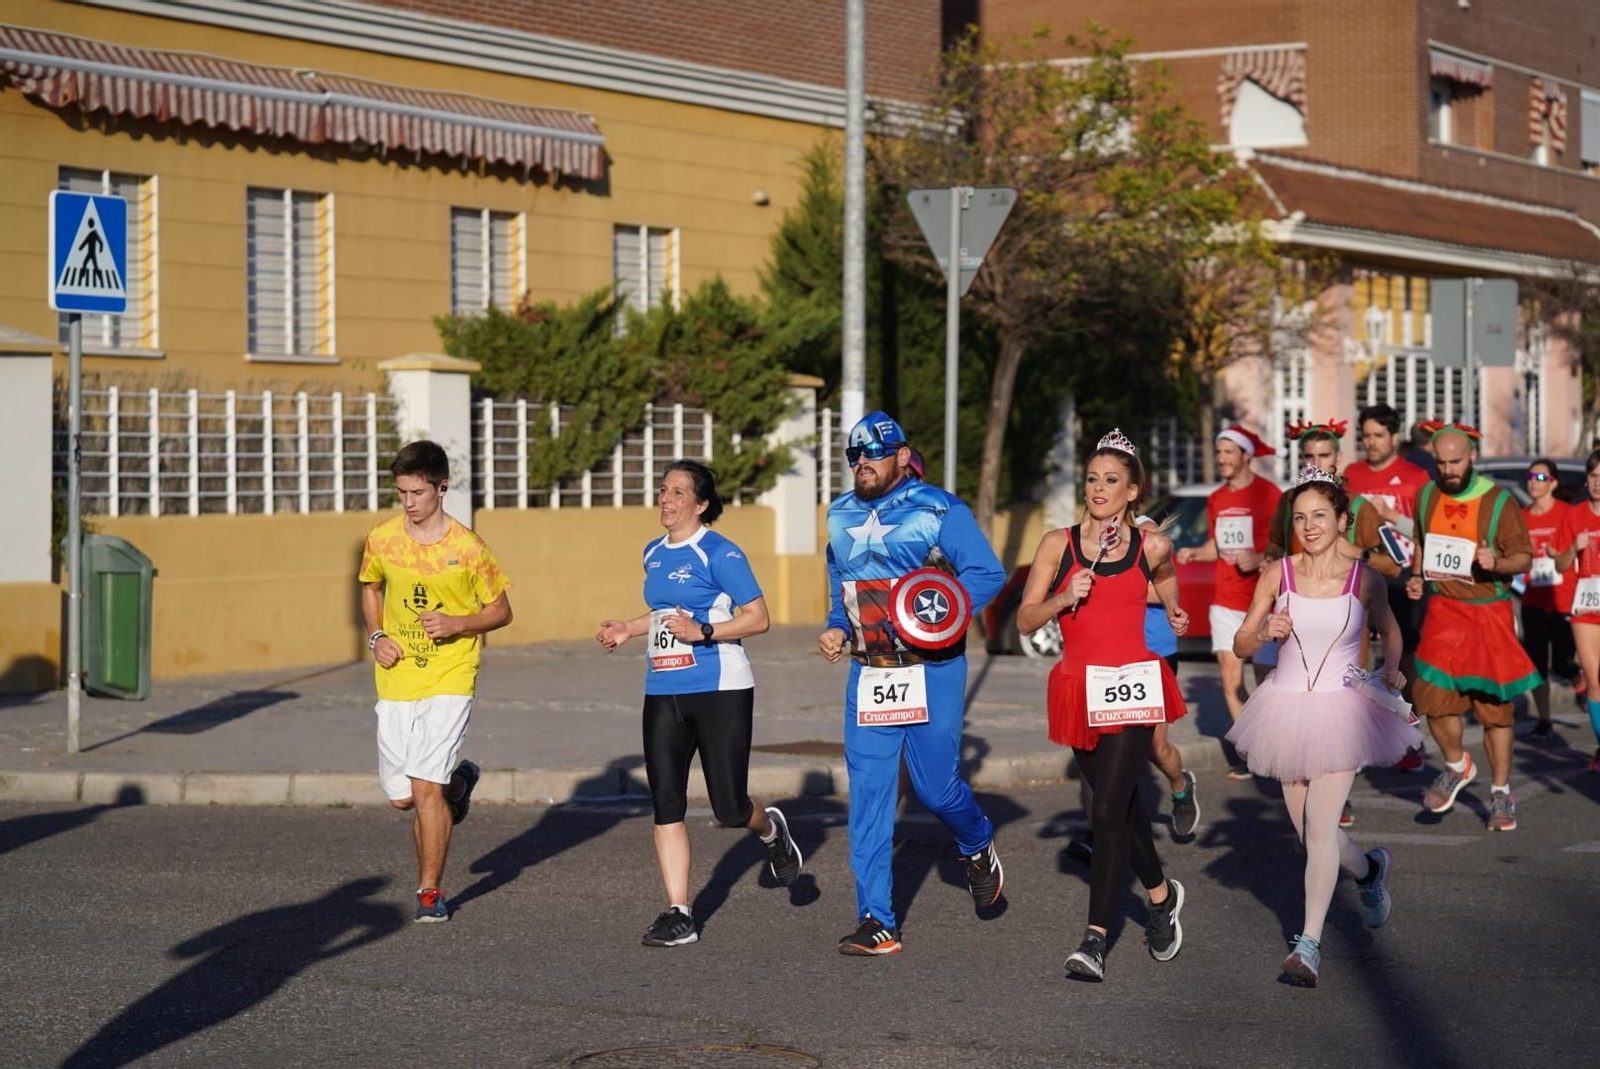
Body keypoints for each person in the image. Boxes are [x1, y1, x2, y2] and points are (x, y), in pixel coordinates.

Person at [818, 411, 1007, 956]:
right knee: (870, 797)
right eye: (854, 456)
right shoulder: (838, 514)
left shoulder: (939, 508)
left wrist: (940, 615)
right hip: (871, 673)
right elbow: (840, 585)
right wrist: (835, 628)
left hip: (933, 668)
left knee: (934, 789)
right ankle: (877, 919)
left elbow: (986, 573)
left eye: (873, 454)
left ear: (902, 456)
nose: (862, 464)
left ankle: (975, 839)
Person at [596, 460, 803, 947]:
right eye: (663, 490)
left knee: (729, 808)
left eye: (677, 493)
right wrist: (629, 628)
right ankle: (679, 912)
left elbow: (758, 618)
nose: (665, 500)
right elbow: (665, 610)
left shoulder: (720, 552)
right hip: (662, 689)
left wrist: (704, 631)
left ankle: (770, 830)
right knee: (665, 802)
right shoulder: (652, 552)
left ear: (701, 503)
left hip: (720, 688)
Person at [1228, 466, 1419, 987]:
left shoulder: (1366, 578)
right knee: (1314, 834)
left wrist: (1391, 668)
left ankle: (1308, 944)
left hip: (1342, 710)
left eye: (1320, 516)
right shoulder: (1278, 574)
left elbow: (1391, 629)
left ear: (1341, 519)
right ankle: (1371, 870)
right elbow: (1241, 645)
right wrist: (1265, 630)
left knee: (1319, 829)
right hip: (1285, 710)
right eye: (1300, 517)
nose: (1309, 526)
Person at [1017, 429, 1190, 980]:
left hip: (1134, 684)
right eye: (1092, 478)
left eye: (1112, 481)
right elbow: (1025, 619)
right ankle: (1161, 896)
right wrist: (1064, 597)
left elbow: (1165, 578)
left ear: (1132, 491)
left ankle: (1094, 940)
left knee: (1107, 809)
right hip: (1078, 687)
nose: (1099, 488)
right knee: (1125, 807)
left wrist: (1175, 609)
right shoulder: (1056, 544)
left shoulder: (1151, 545)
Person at [359, 440, 513, 922]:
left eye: (418, 492)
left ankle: (430, 892)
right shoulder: (382, 538)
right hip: (397, 676)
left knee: (424, 788)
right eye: (402, 492)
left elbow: (502, 611)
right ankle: (459, 785)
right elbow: (371, 586)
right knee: (404, 797)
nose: (408, 503)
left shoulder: (469, 548)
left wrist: (457, 624)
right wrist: (377, 635)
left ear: (442, 488)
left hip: (451, 674)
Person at [1408, 422, 1538, 831]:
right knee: (1427, 697)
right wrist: (1416, 576)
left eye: (1455, 462)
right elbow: (1421, 543)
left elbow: (1524, 557)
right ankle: (1456, 765)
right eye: (1441, 462)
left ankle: (1501, 793)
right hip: (1444, 610)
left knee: (1495, 711)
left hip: (1487, 611)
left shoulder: (1498, 501)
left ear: (1472, 457)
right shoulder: (1427, 494)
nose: (1448, 470)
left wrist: (1495, 562)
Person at [1175, 424, 1280, 778]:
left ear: (1246, 456)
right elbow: (1218, 545)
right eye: (1218, 453)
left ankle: (1277, 743)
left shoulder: (1269, 494)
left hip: (1262, 602)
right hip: (1225, 599)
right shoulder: (1217, 498)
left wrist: (1261, 557)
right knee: (1229, 676)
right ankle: (1254, 752)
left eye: (1228, 452)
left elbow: (1286, 546)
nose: (1221, 459)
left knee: (1266, 681)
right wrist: (1194, 552)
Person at [1344, 404, 1433, 773]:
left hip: (1404, 576)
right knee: (1357, 655)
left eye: (1378, 435)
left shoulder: (1415, 476)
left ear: (1394, 438)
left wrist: (1393, 516)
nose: (1371, 443)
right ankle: (1358, 735)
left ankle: (1410, 730)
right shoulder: (1352, 475)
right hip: (1362, 573)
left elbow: (1429, 530)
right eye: (1365, 436)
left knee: (1406, 654)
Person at [1552, 451, 1600, 772]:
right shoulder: (1574, 514)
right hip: (1586, 605)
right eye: (1594, 476)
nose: (1598, 483)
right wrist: (1573, 547)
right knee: (1594, 680)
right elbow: (1559, 563)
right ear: (1587, 479)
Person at [1521, 458, 1574, 739]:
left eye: (1540, 477)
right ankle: (1544, 718)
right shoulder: (1522, 516)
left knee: (1564, 664)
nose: (1533, 481)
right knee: (1537, 664)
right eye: (1530, 476)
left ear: (1553, 482)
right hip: (1533, 601)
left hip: (1564, 599)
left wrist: (1562, 553)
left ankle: (1577, 680)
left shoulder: (1568, 513)